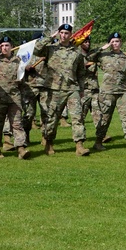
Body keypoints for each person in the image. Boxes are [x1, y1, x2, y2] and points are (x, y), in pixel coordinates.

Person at [33, 24, 89, 156]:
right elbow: (36, 49)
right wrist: (49, 37)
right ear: (58, 34)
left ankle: (79, 145)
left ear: (71, 35)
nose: (63, 36)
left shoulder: (76, 52)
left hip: (72, 88)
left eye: (66, 33)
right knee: (52, 118)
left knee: (77, 117)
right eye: (61, 33)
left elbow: (81, 72)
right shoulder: (50, 49)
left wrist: (81, 89)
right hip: (54, 89)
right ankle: (49, 143)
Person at [88, 32, 126, 152]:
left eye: (117, 41)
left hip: (123, 92)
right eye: (112, 41)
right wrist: (102, 48)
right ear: (109, 43)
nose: (115, 43)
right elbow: (89, 57)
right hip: (107, 92)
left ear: (120, 42)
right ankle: (98, 142)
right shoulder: (103, 56)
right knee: (105, 118)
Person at [0, 35, 29, 159]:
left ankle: (21, 148)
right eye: (2, 46)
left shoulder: (18, 61)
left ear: (11, 47)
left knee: (17, 124)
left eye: (7, 45)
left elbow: (22, 80)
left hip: (14, 97)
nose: (4, 48)